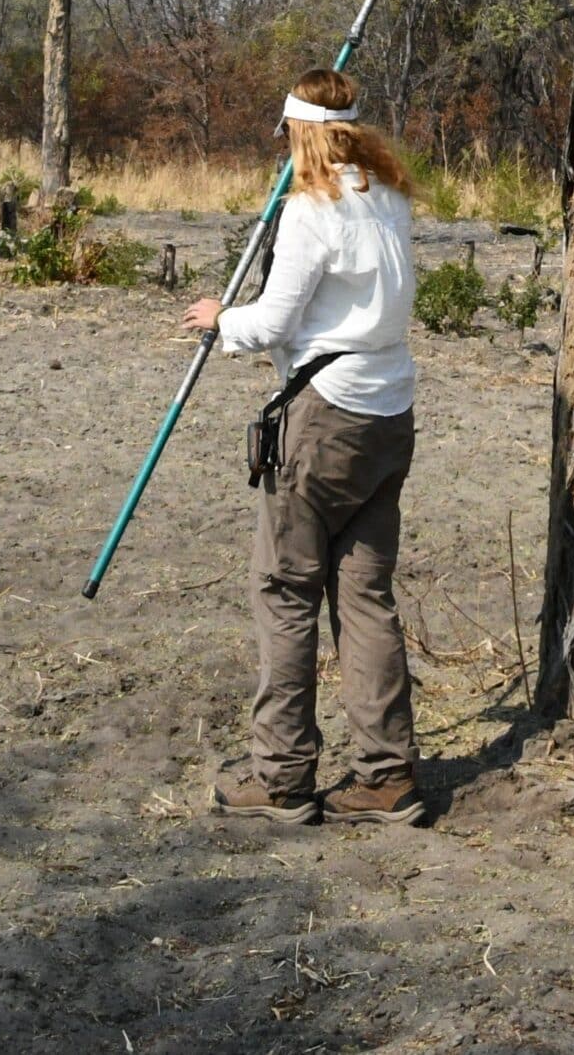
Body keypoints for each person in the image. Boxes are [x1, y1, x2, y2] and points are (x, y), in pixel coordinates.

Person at [180, 68, 425, 826]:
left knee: (286, 591)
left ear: (301, 133)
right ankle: (385, 775)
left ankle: (281, 774)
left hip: (324, 422)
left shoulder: (310, 210)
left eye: (287, 135)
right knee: (364, 597)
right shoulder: (387, 197)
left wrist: (220, 321)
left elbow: (277, 321)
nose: (283, 148)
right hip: (390, 415)